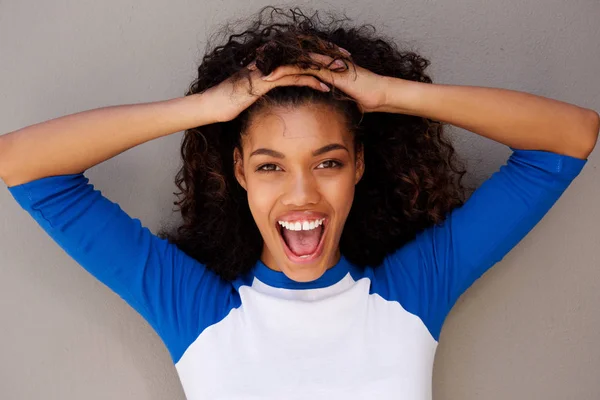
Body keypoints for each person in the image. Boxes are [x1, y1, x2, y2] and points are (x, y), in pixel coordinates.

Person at [1, 6, 598, 400]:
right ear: (238, 171)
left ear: (359, 166)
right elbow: (22, 165)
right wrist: (208, 110)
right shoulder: (196, 312)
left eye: (328, 162)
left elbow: (569, 138)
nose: (302, 194)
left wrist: (386, 94)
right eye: (268, 166)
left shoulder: (411, 296)